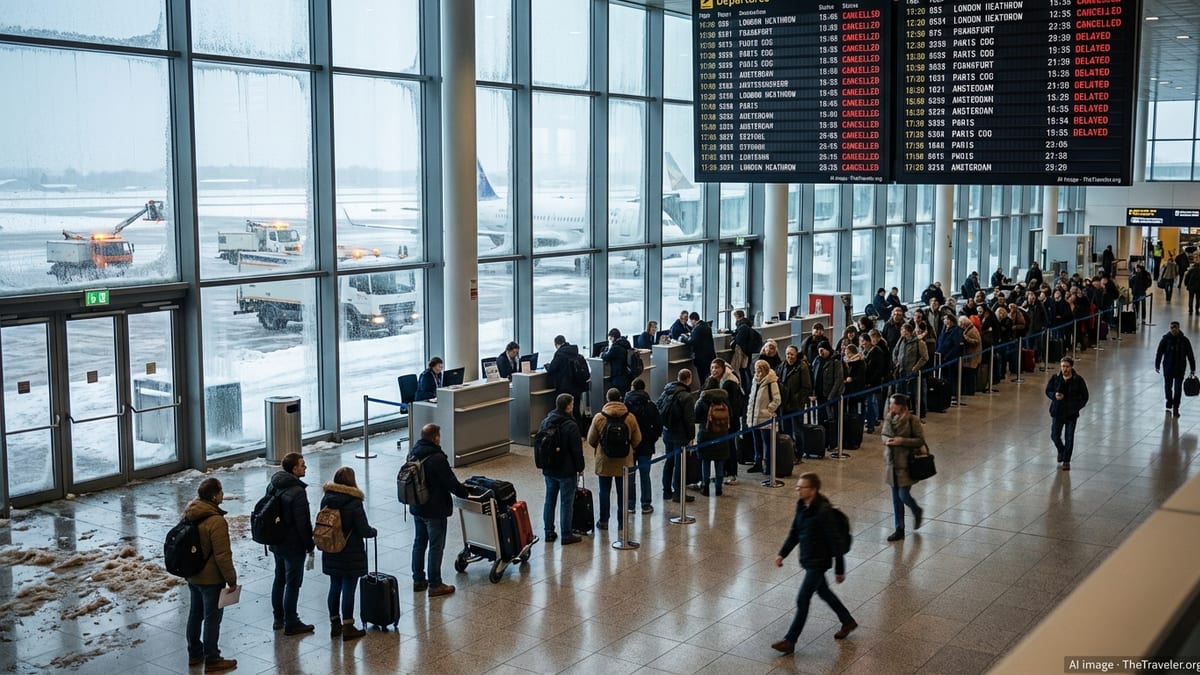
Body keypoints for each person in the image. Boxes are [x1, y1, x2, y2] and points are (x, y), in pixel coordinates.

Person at [771, 472, 857, 655]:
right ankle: (847, 620)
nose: (798, 490)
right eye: (798, 486)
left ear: (813, 490)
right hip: (808, 558)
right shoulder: (802, 506)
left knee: (802, 599)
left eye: (802, 487)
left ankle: (790, 640)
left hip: (818, 562)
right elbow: (795, 533)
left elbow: (835, 542)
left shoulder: (823, 512)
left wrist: (839, 570)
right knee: (824, 592)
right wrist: (782, 554)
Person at [408, 423, 469, 596]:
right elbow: (450, 483)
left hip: (417, 506)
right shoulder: (437, 458)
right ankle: (435, 584)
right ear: (435, 437)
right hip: (434, 509)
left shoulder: (413, 453)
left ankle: (418, 579)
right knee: (436, 546)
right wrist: (465, 493)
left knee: (419, 543)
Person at [184, 478, 238, 672]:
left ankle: (194, 653)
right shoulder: (216, 521)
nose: (223, 494)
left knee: (195, 614)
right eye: (221, 491)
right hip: (211, 579)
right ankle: (213, 658)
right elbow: (222, 556)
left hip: (193, 575)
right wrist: (231, 580)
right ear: (215, 496)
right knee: (212, 618)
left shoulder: (190, 513)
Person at [319, 466, 377, 641]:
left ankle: (334, 623)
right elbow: (363, 529)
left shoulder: (326, 498)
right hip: (350, 551)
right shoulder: (354, 502)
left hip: (331, 548)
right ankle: (348, 626)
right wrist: (373, 532)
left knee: (334, 586)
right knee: (349, 588)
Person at [265, 452, 315, 636]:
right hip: (292, 545)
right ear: (294, 469)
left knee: (279, 579)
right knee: (293, 583)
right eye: (302, 465)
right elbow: (303, 524)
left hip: (276, 540)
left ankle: (278, 618)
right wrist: (309, 545)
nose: (305, 467)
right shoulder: (298, 492)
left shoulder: (273, 484)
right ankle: (291, 621)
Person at [587, 388, 641, 530]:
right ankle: (621, 522)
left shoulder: (599, 417)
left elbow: (591, 440)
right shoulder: (630, 417)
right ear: (621, 398)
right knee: (622, 492)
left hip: (604, 461)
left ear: (607, 399)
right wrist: (629, 449)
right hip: (624, 462)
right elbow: (637, 439)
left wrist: (600, 448)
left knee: (604, 491)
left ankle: (604, 521)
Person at [538, 394, 584, 545]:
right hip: (566, 470)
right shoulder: (571, 425)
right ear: (568, 406)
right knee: (566, 502)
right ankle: (566, 534)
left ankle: (548, 532)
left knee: (549, 500)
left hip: (549, 468)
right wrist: (580, 467)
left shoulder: (546, 422)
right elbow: (576, 450)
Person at [881, 394, 926, 542]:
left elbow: (920, 440)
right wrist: (888, 441)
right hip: (892, 464)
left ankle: (916, 510)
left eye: (893, 404)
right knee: (896, 500)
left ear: (901, 406)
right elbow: (884, 434)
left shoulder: (913, 420)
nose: (891, 407)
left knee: (903, 495)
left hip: (906, 464)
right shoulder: (889, 418)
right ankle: (899, 528)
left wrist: (902, 441)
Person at [623, 379, 661, 513]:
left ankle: (630, 505)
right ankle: (646, 504)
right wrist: (652, 439)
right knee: (645, 475)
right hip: (646, 445)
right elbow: (658, 426)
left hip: (630, 447)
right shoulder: (651, 405)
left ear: (632, 388)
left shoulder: (626, 405)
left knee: (630, 476)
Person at [659, 369, 696, 504]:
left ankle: (666, 491)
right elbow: (689, 419)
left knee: (669, 461)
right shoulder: (687, 396)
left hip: (667, 432)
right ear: (689, 379)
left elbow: (659, 407)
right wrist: (691, 436)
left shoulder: (667, 391)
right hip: (680, 435)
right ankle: (678, 493)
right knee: (680, 464)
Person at [1045, 357, 1089, 470]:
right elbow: (1048, 390)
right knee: (1054, 435)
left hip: (1071, 414)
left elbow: (1085, 396)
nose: (1065, 369)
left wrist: (1076, 407)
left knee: (1069, 437)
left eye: (1067, 366)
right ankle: (1061, 450)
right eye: (1063, 366)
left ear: (1071, 367)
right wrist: (1054, 396)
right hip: (1058, 411)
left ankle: (1066, 460)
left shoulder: (1078, 380)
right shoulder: (1055, 378)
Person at [694, 377, 731, 496]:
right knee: (720, 461)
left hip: (706, 433)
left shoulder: (703, 399)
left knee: (705, 461)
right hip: (722, 434)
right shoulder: (724, 399)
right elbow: (732, 414)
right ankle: (719, 487)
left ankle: (705, 486)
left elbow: (696, 416)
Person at [746, 359, 783, 476]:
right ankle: (758, 463)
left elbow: (777, 399)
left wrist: (768, 411)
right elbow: (752, 398)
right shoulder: (755, 381)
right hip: (754, 418)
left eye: (760, 370)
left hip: (765, 418)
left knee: (767, 443)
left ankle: (768, 466)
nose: (757, 372)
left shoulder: (771, 382)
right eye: (756, 370)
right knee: (757, 442)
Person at [545, 335, 587, 433]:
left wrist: (547, 366)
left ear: (556, 344)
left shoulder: (560, 354)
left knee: (564, 411)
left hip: (565, 388)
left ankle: (566, 432)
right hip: (577, 386)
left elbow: (552, 369)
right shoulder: (575, 352)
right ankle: (578, 432)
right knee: (576, 410)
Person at [1155, 321, 1196, 418]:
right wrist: (1157, 365)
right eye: (1172, 327)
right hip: (1168, 367)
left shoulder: (1184, 341)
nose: (1173, 329)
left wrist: (1193, 368)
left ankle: (1176, 407)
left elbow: (1190, 355)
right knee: (1168, 387)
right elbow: (1159, 352)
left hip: (1180, 368)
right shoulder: (1165, 340)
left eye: (1175, 327)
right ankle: (1169, 401)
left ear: (1179, 328)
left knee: (1178, 389)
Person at [777, 345, 813, 444]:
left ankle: (799, 453)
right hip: (784, 404)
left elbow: (806, 386)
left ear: (796, 355)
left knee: (797, 430)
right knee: (786, 430)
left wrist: (797, 399)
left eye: (792, 354)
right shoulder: (782, 366)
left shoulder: (802, 367)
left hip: (796, 405)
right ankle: (790, 454)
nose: (789, 356)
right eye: (788, 354)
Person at [601, 328, 634, 394]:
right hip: (626, 374)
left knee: (616, 395)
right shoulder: (626, 343)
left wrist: (602, 353)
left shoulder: (616, 347)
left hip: (618, 376)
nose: (610, 340)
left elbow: (606, 357)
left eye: (610, 338)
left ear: (613, 337)